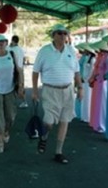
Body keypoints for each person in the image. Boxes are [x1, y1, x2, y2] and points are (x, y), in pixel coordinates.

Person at [32, 24, 83, 164]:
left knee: (64, 121)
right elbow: (35, 72)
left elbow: (77, 71)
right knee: (49, 122)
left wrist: (80, 88)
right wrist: (35, 91)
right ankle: (44, 136)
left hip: (68, 91)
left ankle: (58, 152)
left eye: (64, 33)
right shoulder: (44, 51)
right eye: (59, 33)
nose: (62, 36)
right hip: (50, 90)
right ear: (53, 35)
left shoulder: (71, 51)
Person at [88, 40, 108, 133]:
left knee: (101, 103)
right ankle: (95, 122)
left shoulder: (107, 58)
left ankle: (101, 124)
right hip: (97, 81)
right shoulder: (99, 57)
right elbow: (95, 69)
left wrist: (101, 77)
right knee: (96, 102)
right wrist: (92, 78)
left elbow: (107, 71)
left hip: (103, 82)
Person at [9, 35, 28, 108]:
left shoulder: (10, 49)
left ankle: (12, 102)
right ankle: (24, 101)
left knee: (12, 86)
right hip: (21, 69)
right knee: (20, 86)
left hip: (14, 70)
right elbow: (23, 59)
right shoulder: (20, 49)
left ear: (12, 40)